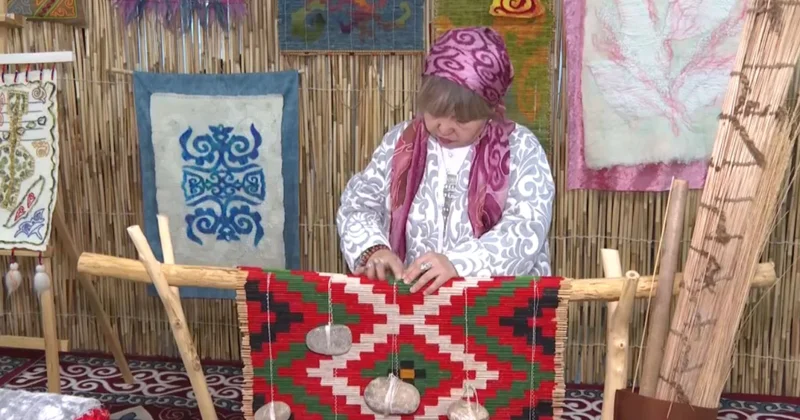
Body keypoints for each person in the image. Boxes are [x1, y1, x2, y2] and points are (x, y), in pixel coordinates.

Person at [336, 26, 555, 295]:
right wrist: (374, 249)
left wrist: (458, 263)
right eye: (435, 112)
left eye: (462, 119)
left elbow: (526, 228)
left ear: (489, 109)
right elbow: (359, 205)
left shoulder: (520, 149)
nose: (444, 127)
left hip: (497, 308)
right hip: (413, 305)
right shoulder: (400, 142)